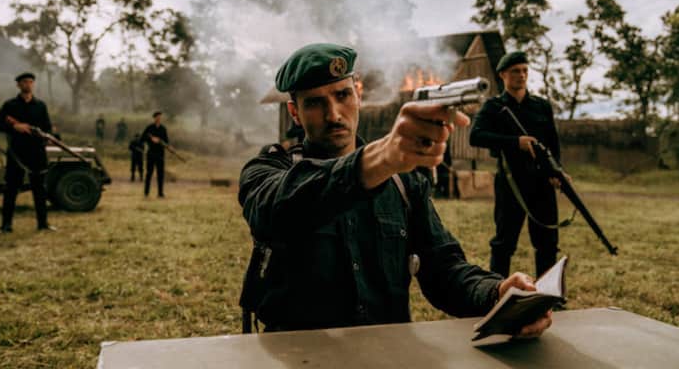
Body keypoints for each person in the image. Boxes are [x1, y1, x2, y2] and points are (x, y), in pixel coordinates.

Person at [238, 44, 551, 335]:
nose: (333, 114)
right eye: (315, 102)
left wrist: (497, 293)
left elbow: (444, 268)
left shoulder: (402, 181)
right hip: (297, 356)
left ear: (357, 95)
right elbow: (274, 210)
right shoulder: (269, 169)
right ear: (295, 112)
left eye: (342, 95)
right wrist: (380, 160)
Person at [469, 51, 562, 278]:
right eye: (515, 71)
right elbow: (476, 136)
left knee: (547, 243)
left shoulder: (541, 106)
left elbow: (553, 143)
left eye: (524, 71)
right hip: (511, 182)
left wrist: (556, 171)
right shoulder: (493, 107)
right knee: (504, 243)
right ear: (503, 75)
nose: (521, 75)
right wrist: (515, 142)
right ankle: (497, 290)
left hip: (542, 183)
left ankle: (547, 293)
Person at [0, 72, 56, 234]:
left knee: (39, 190)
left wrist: (47, 137)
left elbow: (47, 127)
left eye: (31, 82)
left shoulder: (40, 105)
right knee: (11, 190)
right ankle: (6, 226)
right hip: (17, 154)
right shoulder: (10, 105)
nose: (28, 84)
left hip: (36, 153)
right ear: (18, 85)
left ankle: (43, 224)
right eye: (25, 82)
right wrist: (14, 126)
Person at [140, 112, 168, 197]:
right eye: (157, 117)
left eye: (160, 117)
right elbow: (142, 138)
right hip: (151, 153)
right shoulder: (149, 128)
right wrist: (151, 139)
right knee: (149, 173)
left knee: (160, 174)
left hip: (160, 154)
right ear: (154, 118)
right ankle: (146, 193)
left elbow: (166, 141)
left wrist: (160, 141)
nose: (159, 119)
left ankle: (160, 193)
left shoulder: (163, 129)